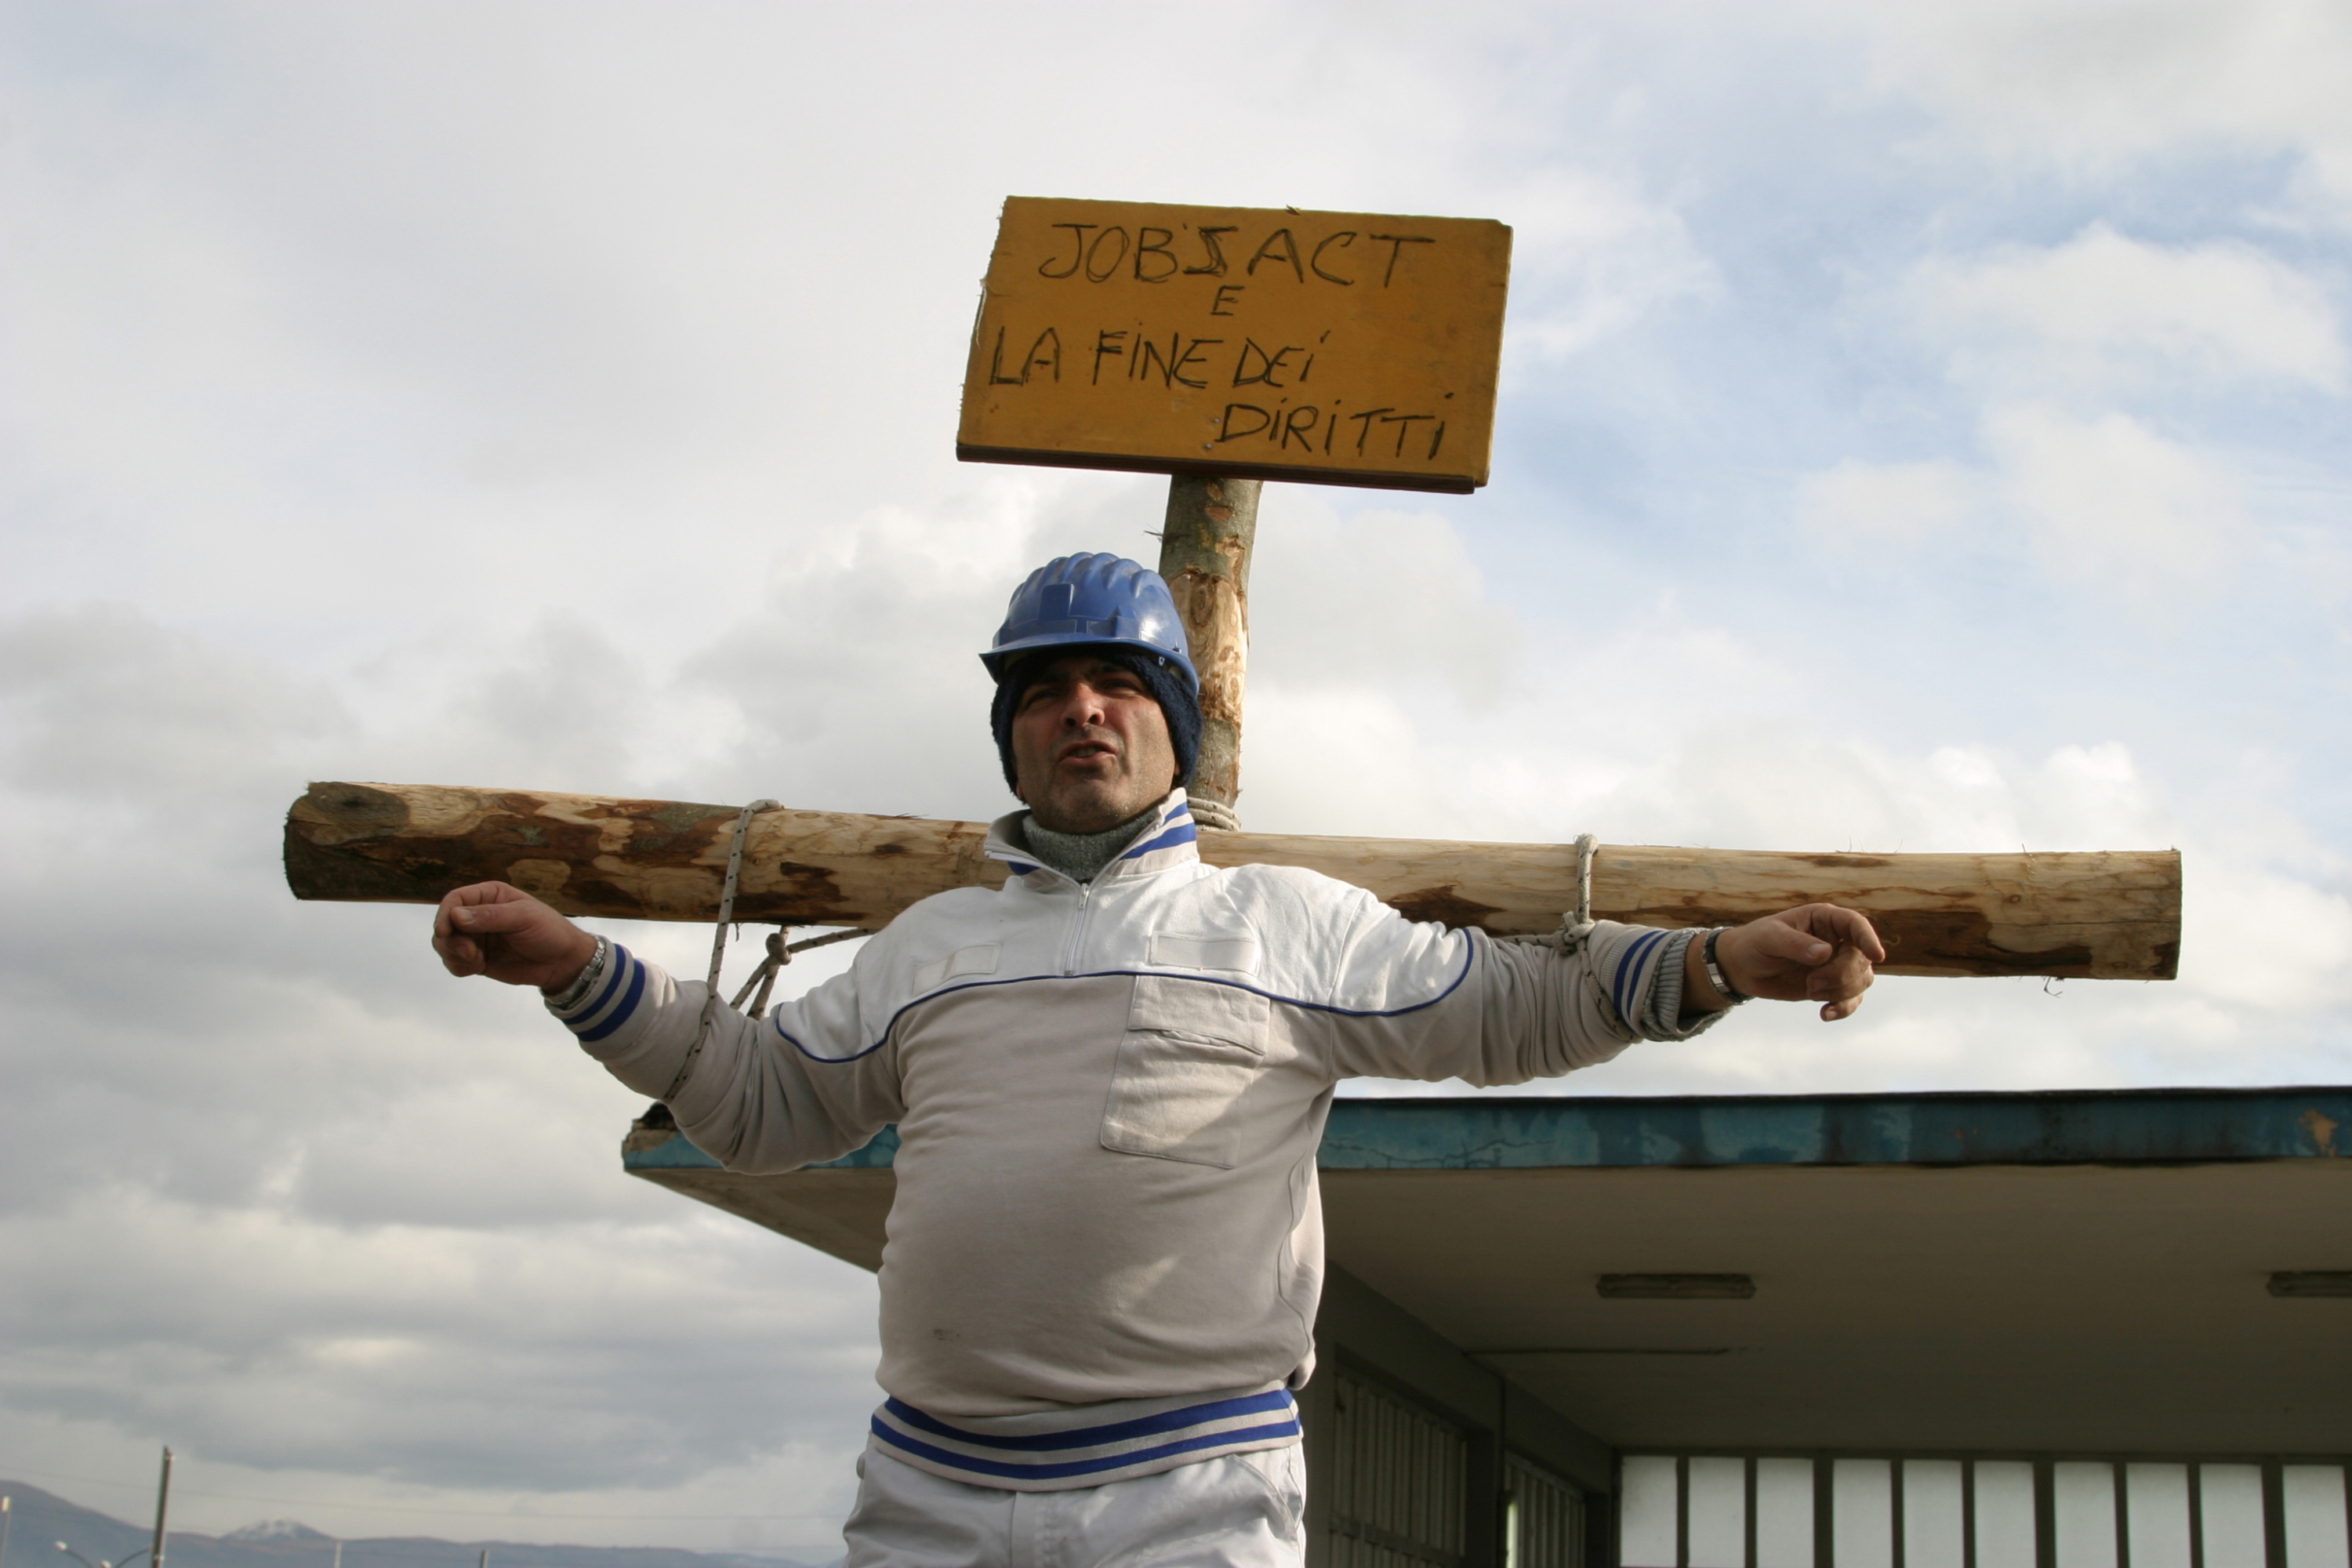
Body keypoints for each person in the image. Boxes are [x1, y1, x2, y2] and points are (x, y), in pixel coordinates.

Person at [431, 553, 1883, 1568]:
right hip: (928, 1487)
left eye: (1121, 681)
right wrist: (579, 967)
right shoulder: (925, 946)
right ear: (1010, 737)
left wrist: (1714, 966)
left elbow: (1512, 1008)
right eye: (1046, 688)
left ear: (1173, 723)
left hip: (1194, 1491)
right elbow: (758, 1109)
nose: (1084, 708)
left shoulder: (1282, 922)